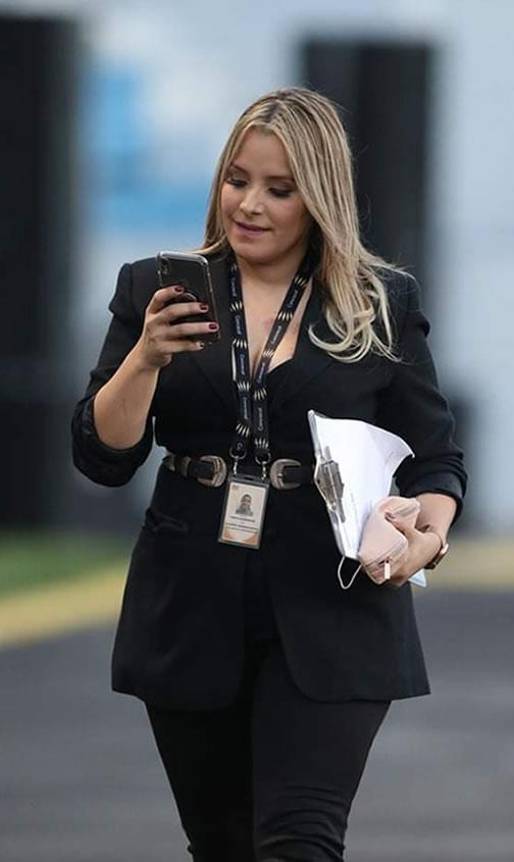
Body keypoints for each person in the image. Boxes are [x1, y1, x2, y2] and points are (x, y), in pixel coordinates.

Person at [71, 87, 465, 861]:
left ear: (319, 197)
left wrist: (426, 537)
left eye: (279, 189)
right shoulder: (154, 286)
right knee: (222, 844)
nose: (250, 205)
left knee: (299, 845)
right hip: (189, 598)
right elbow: (103, 455)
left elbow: (435, 457)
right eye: (237, 180)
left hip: (336, 602)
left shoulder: (380, 300)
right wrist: (146, 358)